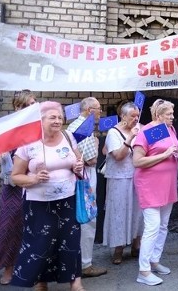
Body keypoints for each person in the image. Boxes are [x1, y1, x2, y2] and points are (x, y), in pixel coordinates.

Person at [10, 101, 85, 290]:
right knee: (40, 244)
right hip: (39, 204)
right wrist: (34, 178)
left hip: (68, 200)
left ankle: (75, 282)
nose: (58, 120)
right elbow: (15, 177)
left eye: (60, 117)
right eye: (52, 117)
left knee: (70, 240)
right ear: (41, 120)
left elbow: (78, 162)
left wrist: (77, 167)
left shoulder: (68, 137)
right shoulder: (28, 143)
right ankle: (40, 282)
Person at [0, 90, 36, 285]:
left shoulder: (38, 129)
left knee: (33, 228)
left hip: (34, 186)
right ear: (18, 108)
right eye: (29, 105)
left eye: (34, 104)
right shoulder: (8, 129)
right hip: (13, 188)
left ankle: (31, 269)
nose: (33, 107)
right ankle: (8, 268)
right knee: (9, 229)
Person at [132, 99, 178, 286]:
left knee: (163, 225)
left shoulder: (169, 129)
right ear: (158, 115)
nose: (172, 117)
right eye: (169, 114)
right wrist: (164, 154)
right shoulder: (147, 131)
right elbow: (137, 161)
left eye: (172, 113)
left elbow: (170, 149)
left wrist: (177, 154)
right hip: (150, 184)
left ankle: (155, 260)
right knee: (152, 226)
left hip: (167, 183)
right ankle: (143, 270)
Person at [67, 97, 107, 279]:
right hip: (85, 176)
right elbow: (91, 160)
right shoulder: (83, 128)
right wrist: (97, 145)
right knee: (88, 218)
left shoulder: (73, 126)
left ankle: (78, 261)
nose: (101, 112)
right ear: (90, 110)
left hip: (76, 177)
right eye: (99, 109)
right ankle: (85, 264)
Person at [102, 101, 143, 265]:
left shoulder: (139, 128)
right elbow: (118, 156)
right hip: (119, 178)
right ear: (123, 116)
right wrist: (131, 137)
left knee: (137, 212)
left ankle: (136, 245)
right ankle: (118, 249)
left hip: (137, 176)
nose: (136, 119)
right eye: (132, 116)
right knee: (119, 213)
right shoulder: (113, 133)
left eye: (137, 115)